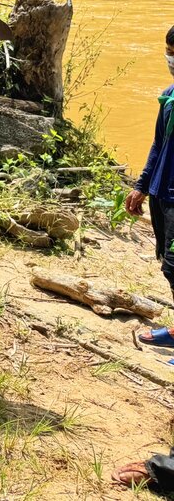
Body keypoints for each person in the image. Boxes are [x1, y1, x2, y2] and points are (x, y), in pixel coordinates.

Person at [126, 24, 174, 345]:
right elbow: (159, 143)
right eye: (169, 52)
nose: (171, 59)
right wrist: (142, 185)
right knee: (169, 266)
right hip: (161, 193)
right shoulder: (169, 96)